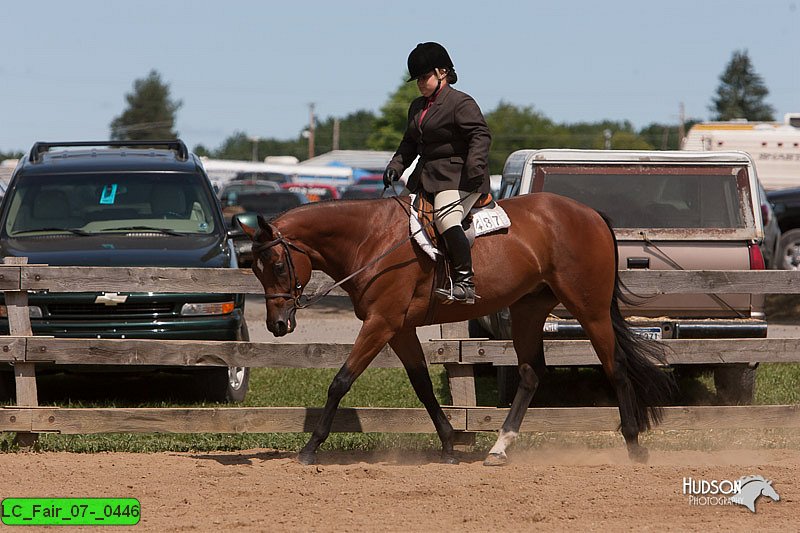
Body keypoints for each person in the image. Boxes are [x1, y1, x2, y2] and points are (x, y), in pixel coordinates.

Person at [383, 42, 492, 304]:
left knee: (444, 219)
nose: (420, 83)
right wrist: (395, 167)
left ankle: (465, 281)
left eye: (424, 77)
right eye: (417, 79)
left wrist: (474, 168)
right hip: (425, 176)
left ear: (442, 72)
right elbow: (409, 144)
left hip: (459, 176)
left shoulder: (460, 102)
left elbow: (480, 135)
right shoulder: (417, 107)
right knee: (395, 218)